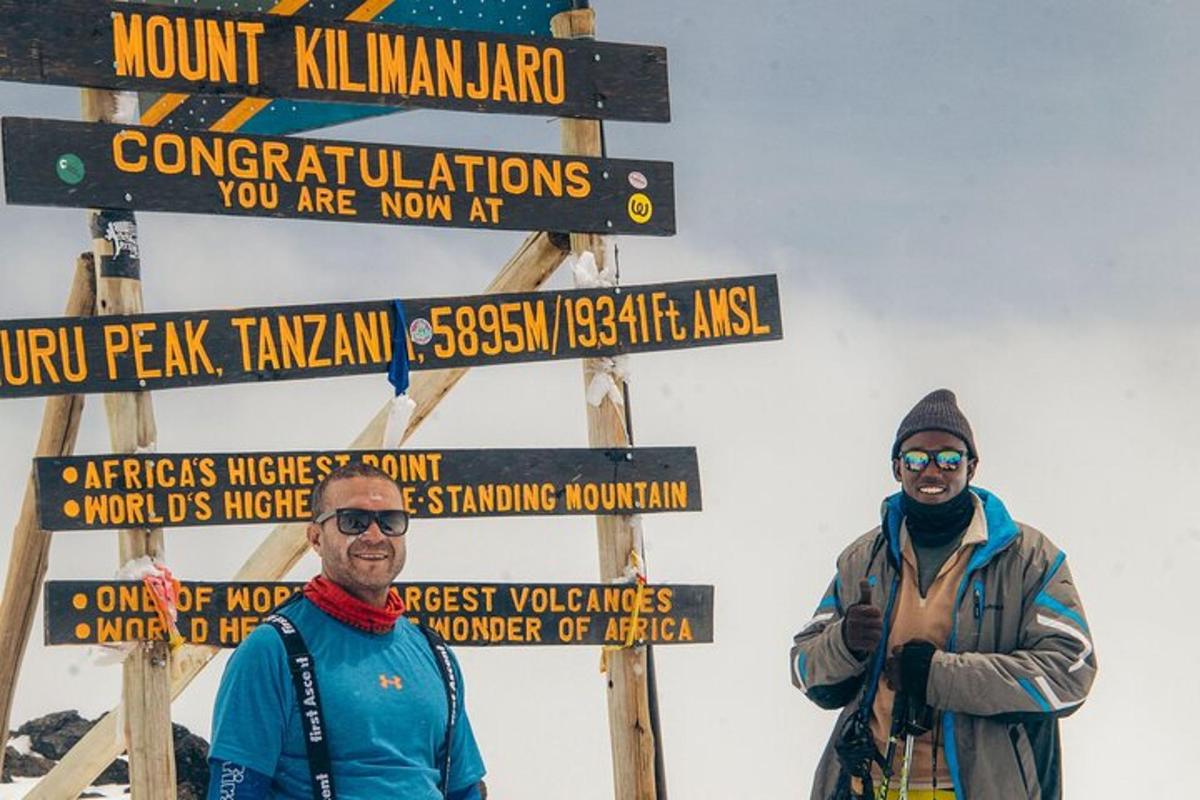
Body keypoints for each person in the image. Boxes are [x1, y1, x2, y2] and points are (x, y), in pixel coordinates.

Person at [790, 389, 1096, 800]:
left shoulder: (1031, 559)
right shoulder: (862, 559)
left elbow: (1069, 671)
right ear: (897, 468)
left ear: (972, 466)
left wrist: (939, 676)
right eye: (916, 458)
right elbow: (803, 667)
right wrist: (844, 643)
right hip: (866, 786)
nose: (932, 470)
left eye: (949, 458)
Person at [208, 462, 486, 799]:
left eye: (390, 522)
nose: (374, 535)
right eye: (352, 521)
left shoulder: (434, 654)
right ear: (315, 537)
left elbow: (464, 789)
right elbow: (237, 788)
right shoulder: (273, 649)